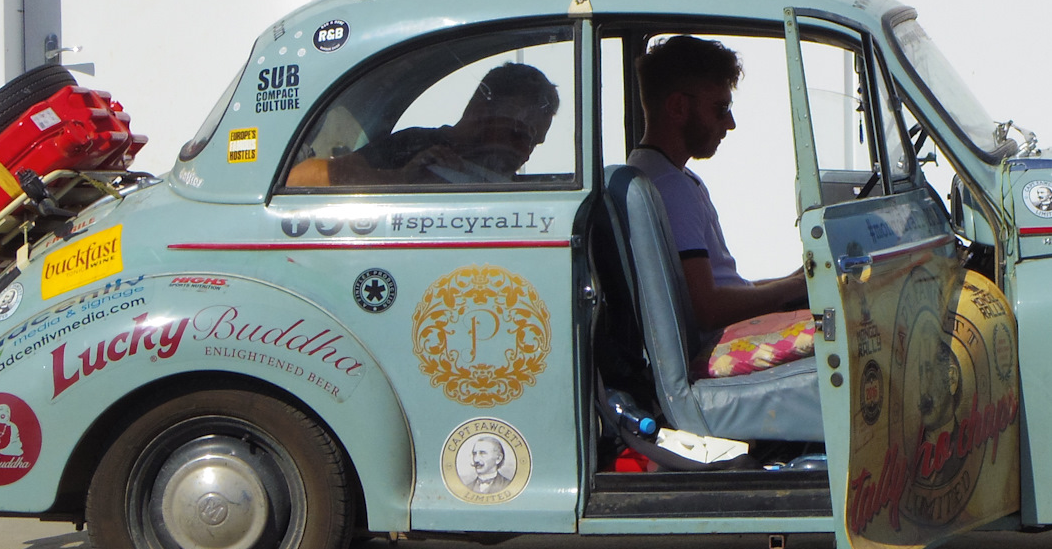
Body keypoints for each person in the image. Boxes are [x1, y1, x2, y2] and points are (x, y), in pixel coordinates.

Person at [626, 35, 807, 331]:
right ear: (678, 107)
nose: (730, 123)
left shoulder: (662, 173)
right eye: (720, 109)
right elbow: (708, 309)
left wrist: (797, 281)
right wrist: (795, 287)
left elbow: (729, 288)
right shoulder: (670, 187)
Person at [287, 62, 560, 187]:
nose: (524, 153)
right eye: (519, 134)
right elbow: (301, 177)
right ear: (480, 110)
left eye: (534, 144)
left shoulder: (501, 176)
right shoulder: (416, 144)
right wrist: (401, 179)